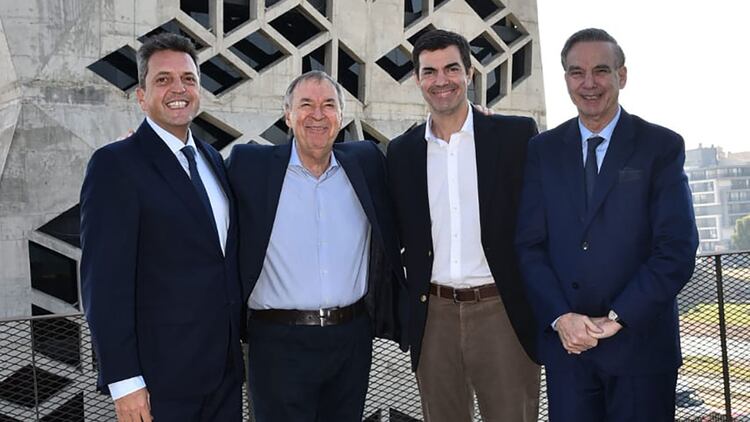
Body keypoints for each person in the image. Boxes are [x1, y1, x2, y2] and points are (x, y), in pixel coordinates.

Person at [515, 28, 699, 421]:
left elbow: (677, 249)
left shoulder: (660, 146)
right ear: (565, 79)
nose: (589, 83)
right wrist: (561, 317)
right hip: (569, 351)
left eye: (601, 70)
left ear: (622, 76)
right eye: (576, 72)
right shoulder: (542, 150)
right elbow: (530, 246)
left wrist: (617, 319)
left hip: (641, 349)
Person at [80, 33, 243, 422]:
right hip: (159, 384)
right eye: (164, 79)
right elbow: (104, 284)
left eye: (188, 79)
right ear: (141, 95)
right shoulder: (115, 164)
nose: (178, 89)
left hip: (223, 373)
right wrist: (125, 382)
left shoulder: (211, 159)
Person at [227, 70, 406, 422]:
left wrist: (471, 119)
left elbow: (417, 160)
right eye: (306, 104)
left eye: (328, 105)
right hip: (277, 342)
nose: (318, 114)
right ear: (287, 114)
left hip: (351, 339)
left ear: (341, 116)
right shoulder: (249, 166)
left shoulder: (367, 162)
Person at [387, 29, 540, 422]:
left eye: (452, 68)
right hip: (433, 315)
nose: (442, 80)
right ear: (418, 80)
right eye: (430, 71)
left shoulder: (514, 136)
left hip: (501, 310)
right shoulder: (401, 152)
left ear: (470, 73)